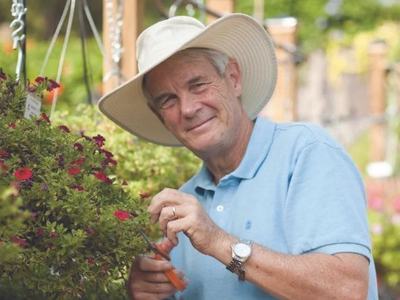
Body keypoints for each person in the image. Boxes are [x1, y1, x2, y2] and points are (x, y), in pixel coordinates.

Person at [98, 13, 378, 300]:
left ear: (233, 78)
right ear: (160, 117)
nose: (189, 108)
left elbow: (347, 290)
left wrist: (219, 242)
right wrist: (145, 292)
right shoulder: (184, 205)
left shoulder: (306, 153)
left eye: (198, 85)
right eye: (168, 100)